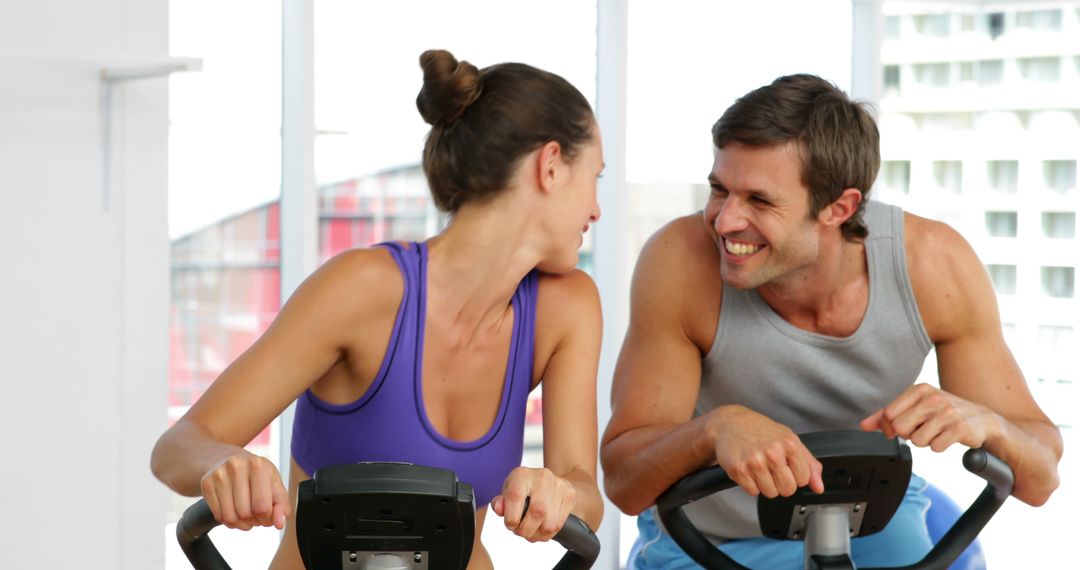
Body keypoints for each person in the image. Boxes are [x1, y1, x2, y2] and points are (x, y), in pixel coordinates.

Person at [152, 49, 606, 570]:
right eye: (594, 176)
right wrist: (226, 463)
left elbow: (585, 492)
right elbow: (176, 447)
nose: (596, 208)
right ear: (551, 166)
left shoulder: (567, 307)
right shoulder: (364, 290)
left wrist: (558, 492)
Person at [600, 74, 1062, 569]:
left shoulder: (933, 266)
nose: (724, 220)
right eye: (719, 190)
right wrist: (715, 428)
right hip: (712, 534)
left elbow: (1039, 480)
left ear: (839, 207)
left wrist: (991, 424)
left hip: (869, 520)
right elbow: (626, 484)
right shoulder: (680, 261)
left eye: (758, 200)